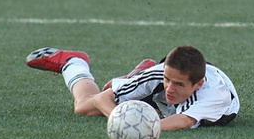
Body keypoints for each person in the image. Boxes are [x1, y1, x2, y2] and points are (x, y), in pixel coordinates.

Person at [26, 46, 239, 130]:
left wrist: (138, 128)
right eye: (167, 79)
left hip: (192, 107)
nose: (170, 88)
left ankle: (134, 80)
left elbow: (183, 121)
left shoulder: (215, 95)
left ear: (198, 84)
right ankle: (73, 62)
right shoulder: (160, 76)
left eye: (178, 84)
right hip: (158, 87)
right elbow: (101, 99)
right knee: (83, 107)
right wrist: (121, 120)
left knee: (154, 114)